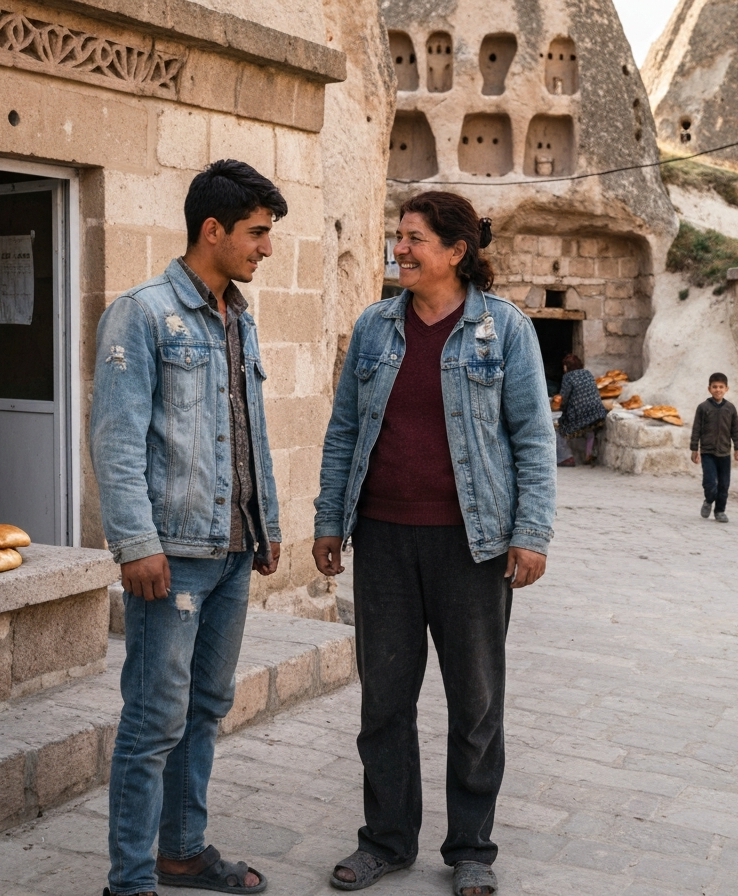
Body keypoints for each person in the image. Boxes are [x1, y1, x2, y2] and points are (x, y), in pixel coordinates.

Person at [312, 191, 556, 896]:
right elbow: (343, 432)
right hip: (384, 539)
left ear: (457, 251)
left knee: (475, 702)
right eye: (398, 236)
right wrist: (331, 519)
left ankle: (471, 848)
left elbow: (533, 439)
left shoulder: (502, 329)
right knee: (384, 701)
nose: (402, 249)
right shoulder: (375, 328)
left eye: (415, 238)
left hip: (472, 548)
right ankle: (386, 840)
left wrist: (531, 533)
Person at [90, 160, 287, 896]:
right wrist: (135, 544)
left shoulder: (240, 317)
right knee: (152, 721)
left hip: (233, 552)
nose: (266, 249)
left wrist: (264, 523)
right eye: (257, 234)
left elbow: (250, 432)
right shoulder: (142, 314)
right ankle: (131, 881)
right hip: (171, 556)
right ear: (213, 230)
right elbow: (114, 439)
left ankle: (181, 851)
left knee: (205, 706)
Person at [689, 372, 738, 522]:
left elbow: (736, 430)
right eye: (714, 387)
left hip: (724, 453)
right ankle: (708, 500)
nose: (718, 390)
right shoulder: (703, 408)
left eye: (721, 387)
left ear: (727, 388)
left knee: (724, 484)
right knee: (710, 482)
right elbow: (696, 430)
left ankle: (720, 511)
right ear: (709, 389)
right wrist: (694, 449)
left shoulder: (730, 408)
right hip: (707, 452)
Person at [555, 353, 607, 466]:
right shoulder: (587, 373)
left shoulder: (568, 377)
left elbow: (564, 397)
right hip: (598, 412)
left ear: (566, 366)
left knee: (559, 427)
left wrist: (561, 408)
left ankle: (566, 458)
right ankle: (588, 454)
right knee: (590, 430)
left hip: (580, 414)